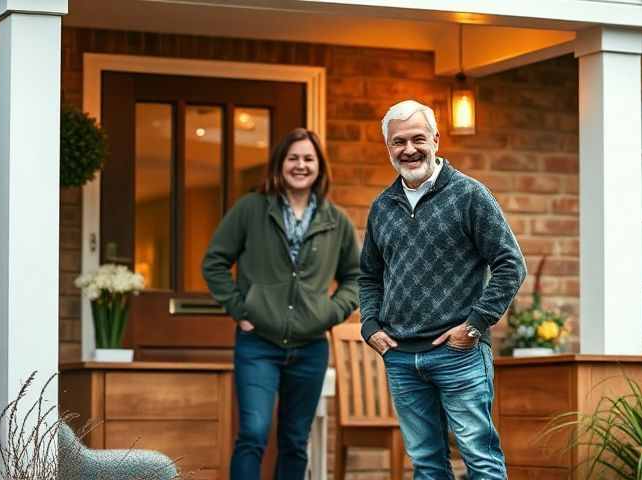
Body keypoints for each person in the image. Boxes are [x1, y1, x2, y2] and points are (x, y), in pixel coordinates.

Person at [359, 100, 526, 479]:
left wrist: (474, 326)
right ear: (388, 147)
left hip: (458, 354)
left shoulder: (470, 195)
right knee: (426, 465)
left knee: (480, 460)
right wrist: (370, 326)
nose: (409, 149)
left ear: (436, 139)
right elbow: (369, 275)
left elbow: (510, 264)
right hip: (401, 357)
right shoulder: (382, 206)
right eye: (398, 142)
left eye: (418, 138)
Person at [202, 128, 361, 479]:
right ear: (279, 164)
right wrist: (239, 309)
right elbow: (214, 262)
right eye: (293, 158)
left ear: (319, 166)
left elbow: (357, 277)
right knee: (253, 434)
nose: (300, 165)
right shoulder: (251, 209)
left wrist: (331, 313)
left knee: (294, 439)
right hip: (258, 343)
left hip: (310, 348)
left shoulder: (336, 222)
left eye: (308, 158)